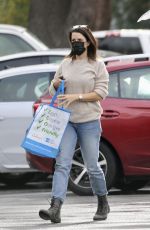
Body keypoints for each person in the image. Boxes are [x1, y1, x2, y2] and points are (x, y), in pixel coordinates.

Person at [39, 25, 110, 224]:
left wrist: (76, 97)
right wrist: (54, 85)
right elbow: (53, 90)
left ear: (88, 41)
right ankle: (55, 207)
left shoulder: (97, 64)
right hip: (67, 121)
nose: (76, 44)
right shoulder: (66, 63)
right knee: (62, 163)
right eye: (73, 41)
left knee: (92, 166)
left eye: (79, 40)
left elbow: (101, 93)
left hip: (89, 120)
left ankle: (102, 202)